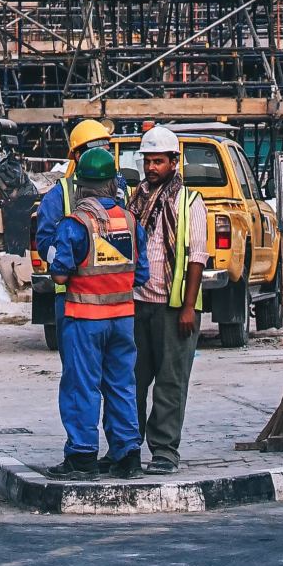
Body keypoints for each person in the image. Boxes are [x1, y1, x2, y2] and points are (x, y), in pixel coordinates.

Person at [36, 140, 144, 477]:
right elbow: (142, 274)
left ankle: (82, 456)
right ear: (113, 183)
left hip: (84, 319)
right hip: (123, 319)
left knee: (82, 386)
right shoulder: (129, 220)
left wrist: (55, 256)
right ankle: (128, 455)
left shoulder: (76, 224)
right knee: (121, 385)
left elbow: (59, 272)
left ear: (81, 185)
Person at [130, 124, 209, 470]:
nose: (151, 168)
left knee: (170, 381)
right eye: (148, 161)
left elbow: (196, 257)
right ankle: (127, 447)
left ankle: (164, 451)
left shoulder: (188, 202)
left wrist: (189, 306)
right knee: (132, 379)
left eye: (158, 161)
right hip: (137, 302)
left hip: (174, 306)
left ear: (174, 162)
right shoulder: (136, 199)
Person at [31, 118, 112, 272]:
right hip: (74, 288)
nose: (101, 158)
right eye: (95, 152)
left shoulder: (123, 189)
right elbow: (44, 244)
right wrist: (67, 263)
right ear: (78, 156)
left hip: (113, 286)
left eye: (106, 152)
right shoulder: (58, 195)